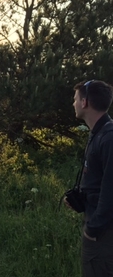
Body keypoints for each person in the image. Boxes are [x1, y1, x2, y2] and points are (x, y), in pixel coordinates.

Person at [67, 80, 113, 277]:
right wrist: (81, 200)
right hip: (97, 222)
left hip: (103, 231)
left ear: (85, 102)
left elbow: (110, 189)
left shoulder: (108, 137)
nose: (74, 103)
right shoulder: (99, 133)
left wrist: (93, 229)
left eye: (76, 99)